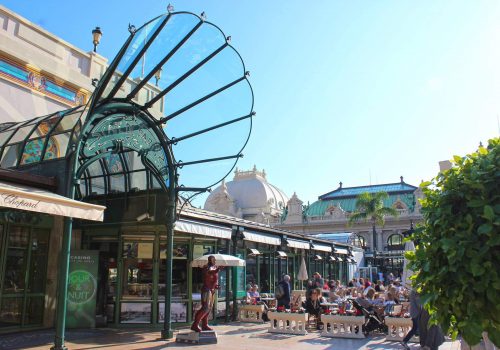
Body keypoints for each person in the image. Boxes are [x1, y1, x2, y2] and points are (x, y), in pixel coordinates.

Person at [191, 255, 224, 332]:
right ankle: (195, 324)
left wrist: (215, 286)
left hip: (212, 290)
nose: (214, 261)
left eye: (214, 260)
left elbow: (212, 279)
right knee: (205, 308)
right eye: (213, 260)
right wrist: (218, 269)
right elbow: (209, 273)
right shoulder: (206, 267)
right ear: (209, 260)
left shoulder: (215, 267)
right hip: (206, 289)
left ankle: (205, 324)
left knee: (209, 308)